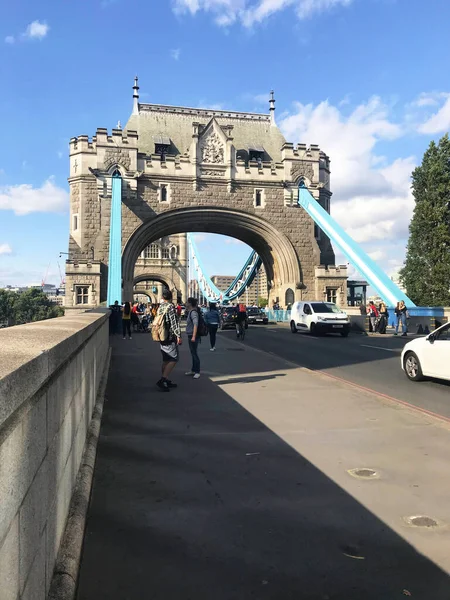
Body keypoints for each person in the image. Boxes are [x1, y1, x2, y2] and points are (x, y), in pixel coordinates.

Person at [157, 290, 182, 392]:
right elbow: (174, 322)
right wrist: (178, 335)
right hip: (169, 336)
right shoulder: (170, 306)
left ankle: (166, 379)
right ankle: (163, 380)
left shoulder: (160, 306)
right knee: (173, 359)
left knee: (166, 359)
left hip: (161, 335)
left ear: (163, 297)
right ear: (171, 297)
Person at [185, 297, 201, 379]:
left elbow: (196, 324)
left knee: (194, 354)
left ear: (190, 303)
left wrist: (194, 336)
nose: (185, 303)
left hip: (192, 335)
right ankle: (193, 370)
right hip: (190, 335)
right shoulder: (191, 311)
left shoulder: (193, 313)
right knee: (193, 353)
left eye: (187, 302)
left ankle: (197, 371)